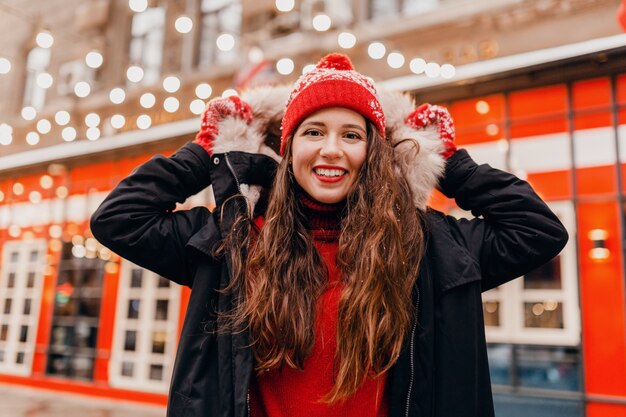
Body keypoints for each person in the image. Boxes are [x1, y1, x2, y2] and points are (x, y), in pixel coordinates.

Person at [90, 53, 568, 417]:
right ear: (289, 147)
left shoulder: (425, 245)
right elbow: (120, 219)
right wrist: (205, 151)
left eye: (352, 135)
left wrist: (446, 161)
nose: (332, 151)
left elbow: (537, 231)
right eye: (313, 132)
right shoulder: (233, 238)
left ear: (374, 152)